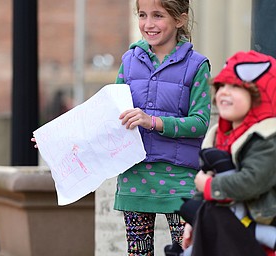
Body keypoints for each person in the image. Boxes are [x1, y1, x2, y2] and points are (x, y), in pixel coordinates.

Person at [113, 0, 211, 255]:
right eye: (142, 15)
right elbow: (110, 115)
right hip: (134, 177)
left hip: (181, 180)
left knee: (188, 251)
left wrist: (153, 122)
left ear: (180, 19)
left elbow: (200, 123)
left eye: (158, 15)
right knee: (138, 253)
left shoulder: (197, 65)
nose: (148, 24)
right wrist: (64, 143)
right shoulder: (129, 60)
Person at [182, 50, 276, 256]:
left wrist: (210, 186)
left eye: (235, 86)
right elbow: (205, 179)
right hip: (226, 229)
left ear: (259, 93)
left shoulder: (268, 137)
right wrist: (195, 223)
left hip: (259, 232)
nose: (224, 91)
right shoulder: (219, 135)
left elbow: (252, 181)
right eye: (221, 85)